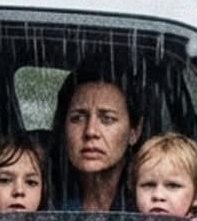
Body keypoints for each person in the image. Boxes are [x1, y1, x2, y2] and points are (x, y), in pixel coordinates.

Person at [50, 62, 144, 212]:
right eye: (78, 118)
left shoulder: (152, 202)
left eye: (107, 119)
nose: (90, 131)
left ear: (134, 132)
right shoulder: (38, 198)